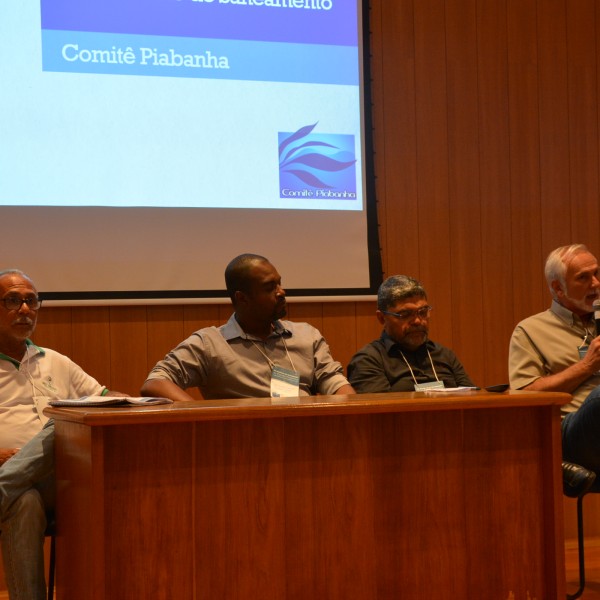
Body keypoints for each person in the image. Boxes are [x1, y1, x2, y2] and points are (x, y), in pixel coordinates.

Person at [0, 269, 126, 600]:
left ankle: (3, 486)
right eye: (13, 301)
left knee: (63, 420)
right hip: (19, 481)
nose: (25, 310)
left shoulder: (55, 361)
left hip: (66, 479)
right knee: (23, 503)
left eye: (31, 301)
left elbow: (104, 398)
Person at [141, 253, 354, 401]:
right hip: (242, 444)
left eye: (279, 283)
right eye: (270, 287)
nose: (281, 292)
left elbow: (335, 384)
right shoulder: (210, 344)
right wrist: (201, 415)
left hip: (306, 438)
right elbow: (155, 383)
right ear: (242, 298)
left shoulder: (307, 336)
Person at [509, 243, 600, 474]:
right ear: (559, 289)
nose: (596, 284)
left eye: (596, 274)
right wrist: (587, 366)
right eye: (583, 278)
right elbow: (524, 394)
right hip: (569, 432)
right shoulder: (530, 330)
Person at [347, 275, 474, 392]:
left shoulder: (445, 355)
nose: (418, 321)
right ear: (381, 318)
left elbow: (474, 400)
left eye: (423, 312)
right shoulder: (368, 360)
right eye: (405, 314)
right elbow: (380, 412)